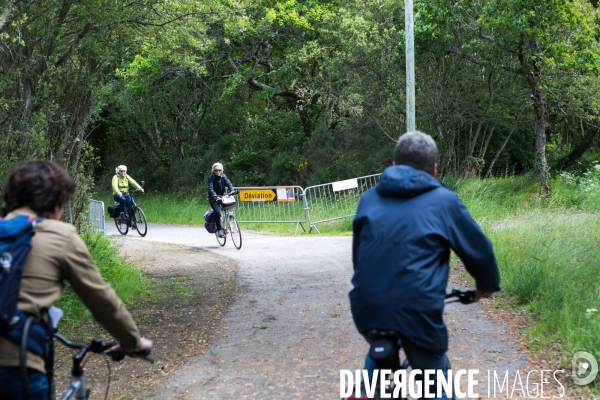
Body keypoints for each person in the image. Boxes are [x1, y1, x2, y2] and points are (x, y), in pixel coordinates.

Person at [348, 131, 500, 400]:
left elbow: (358, 258)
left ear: (394, 166)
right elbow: (480, 252)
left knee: (380, 353)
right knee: (433, 379)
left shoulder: (369, 199)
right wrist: (484, 288)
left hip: (367, 307)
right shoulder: (444, 201)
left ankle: (364, 392)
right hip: (418, 313)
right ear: (434, 170)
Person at [0, 161, 152, 400]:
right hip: (16, 367)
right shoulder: (58, 234)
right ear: (54, 202)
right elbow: (101, 300)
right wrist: (132, 342)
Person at [207, 162, 235, 237]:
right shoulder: (211, 178)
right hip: (214, 198)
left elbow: (229, 183)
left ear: (222, 170)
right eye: (216, 170)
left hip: (222, 196)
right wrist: (214, 195)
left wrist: (232, 190)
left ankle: (227, 223)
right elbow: (210, 187)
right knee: (218, 213)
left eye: (219, 170)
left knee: (228, 208)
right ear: (213, 171)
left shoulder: (223, 176)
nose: (218, 172)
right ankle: (219, 229)